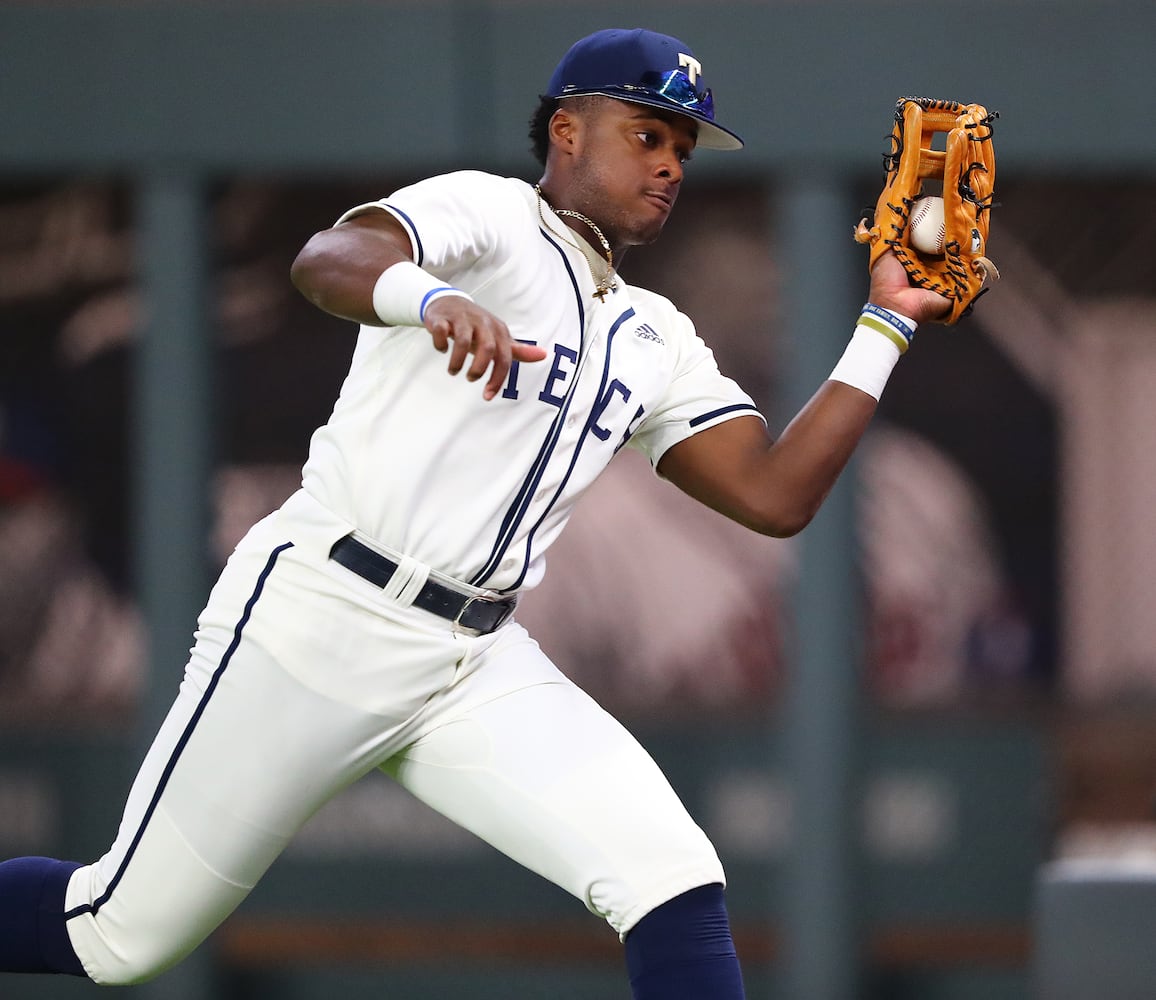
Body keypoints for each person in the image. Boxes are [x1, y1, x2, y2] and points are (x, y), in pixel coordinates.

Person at [0, 27, 950, 999]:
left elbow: (773, 493)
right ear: (568, 131)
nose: (669, 162)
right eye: (647, 131)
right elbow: (329, 257)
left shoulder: (656, 335)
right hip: (325, 614)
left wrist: (885, 326)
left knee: (671, 877)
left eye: (682, 146)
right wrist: (427, 298)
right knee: (118, 935)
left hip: (475, 658)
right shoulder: (490, 216)